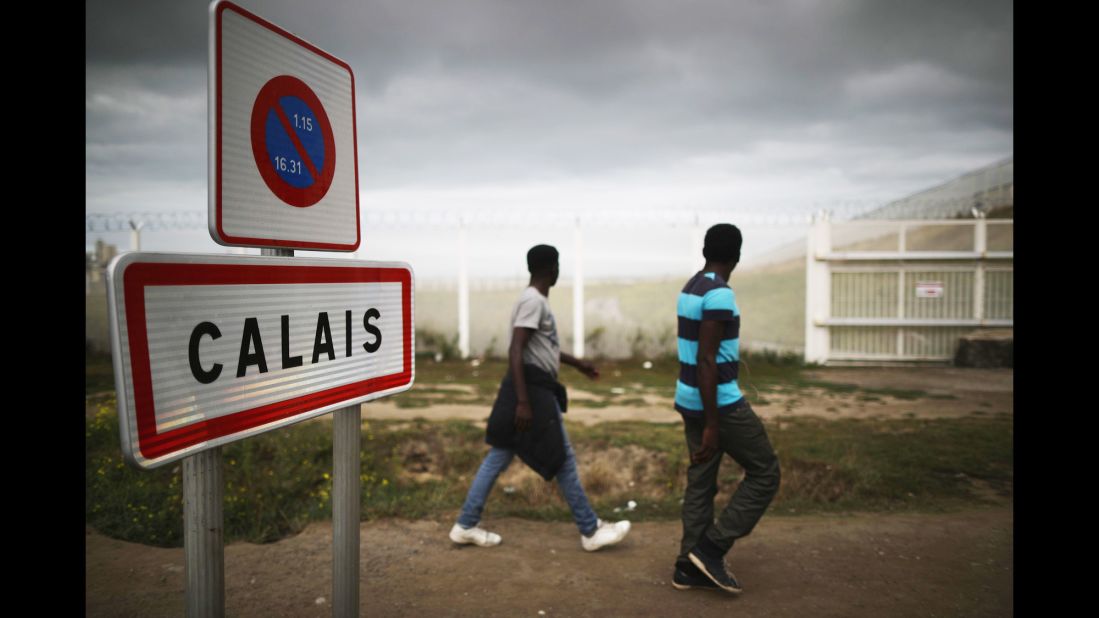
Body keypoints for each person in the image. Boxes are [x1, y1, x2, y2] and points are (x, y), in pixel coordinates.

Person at [449, 244, 631, 552]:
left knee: (499, 455)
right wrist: (523, 401)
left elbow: (541, 347)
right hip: (531, 390)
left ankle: (465, 524)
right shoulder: (534, 301)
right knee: (563, 457)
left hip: (528, 387)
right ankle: (590, 530)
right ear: (552, 268)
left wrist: (578, 364)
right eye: (558, 266)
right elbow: (516, 350)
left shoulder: (532, 301)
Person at [671, 223, 781, 594]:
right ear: (737, 254)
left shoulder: (691, 287)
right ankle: (712, 548)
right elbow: (706, 359)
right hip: (718, 402)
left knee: (701, 481)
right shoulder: (720, 294)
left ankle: (687, 566)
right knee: (765, 472)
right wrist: (714, 424)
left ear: (705, 250)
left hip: (689, 397)